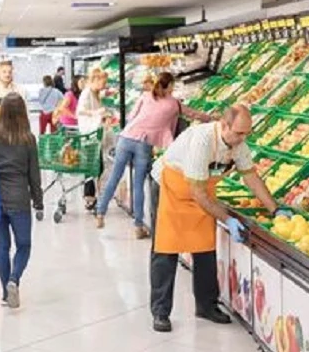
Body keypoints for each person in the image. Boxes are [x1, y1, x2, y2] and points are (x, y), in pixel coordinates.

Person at [148, 105, 287, 333]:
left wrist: (275, 209)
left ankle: (206, 306)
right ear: (224, 125)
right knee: (165, 250)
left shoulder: (239, 145)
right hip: (170, 189)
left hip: (200, 191)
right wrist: (227, 219)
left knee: (205, 248)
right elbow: (197, 193)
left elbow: (250, 177)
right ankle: (161, 312)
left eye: (247, 133)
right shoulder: (202, 141)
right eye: (239, 133)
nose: (243, 138)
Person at [94, 72, 209, 238]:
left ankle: (100, 214)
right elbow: (194, 115)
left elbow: (132, 116)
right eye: (173, 85)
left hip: (126, 137)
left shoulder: (146, 95)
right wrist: (213, 118)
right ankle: (138, 227)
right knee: (138, 184)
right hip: (143, 143)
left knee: (114, 176)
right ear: (169, 86)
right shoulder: (174, 104)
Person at [0, 93, 43, 309]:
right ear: (23, 113)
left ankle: (6, 293)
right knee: (24, 245)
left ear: (1, 111)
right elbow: (34, 174)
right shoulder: (28, 139)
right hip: (19, 199)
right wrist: (38, 202)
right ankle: (14, 279)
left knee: (2, 246)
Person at [77, 68, 108, 210]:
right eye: (103, 81)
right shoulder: (86, 93)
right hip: (89, 135)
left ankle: (92, 196)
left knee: (96, 166)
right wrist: (96, 113)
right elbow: (80, 111)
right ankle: (90, 197)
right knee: (93, 166)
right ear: (95, 79)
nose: (105, 84)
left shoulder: (95, 93)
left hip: (95, 134)